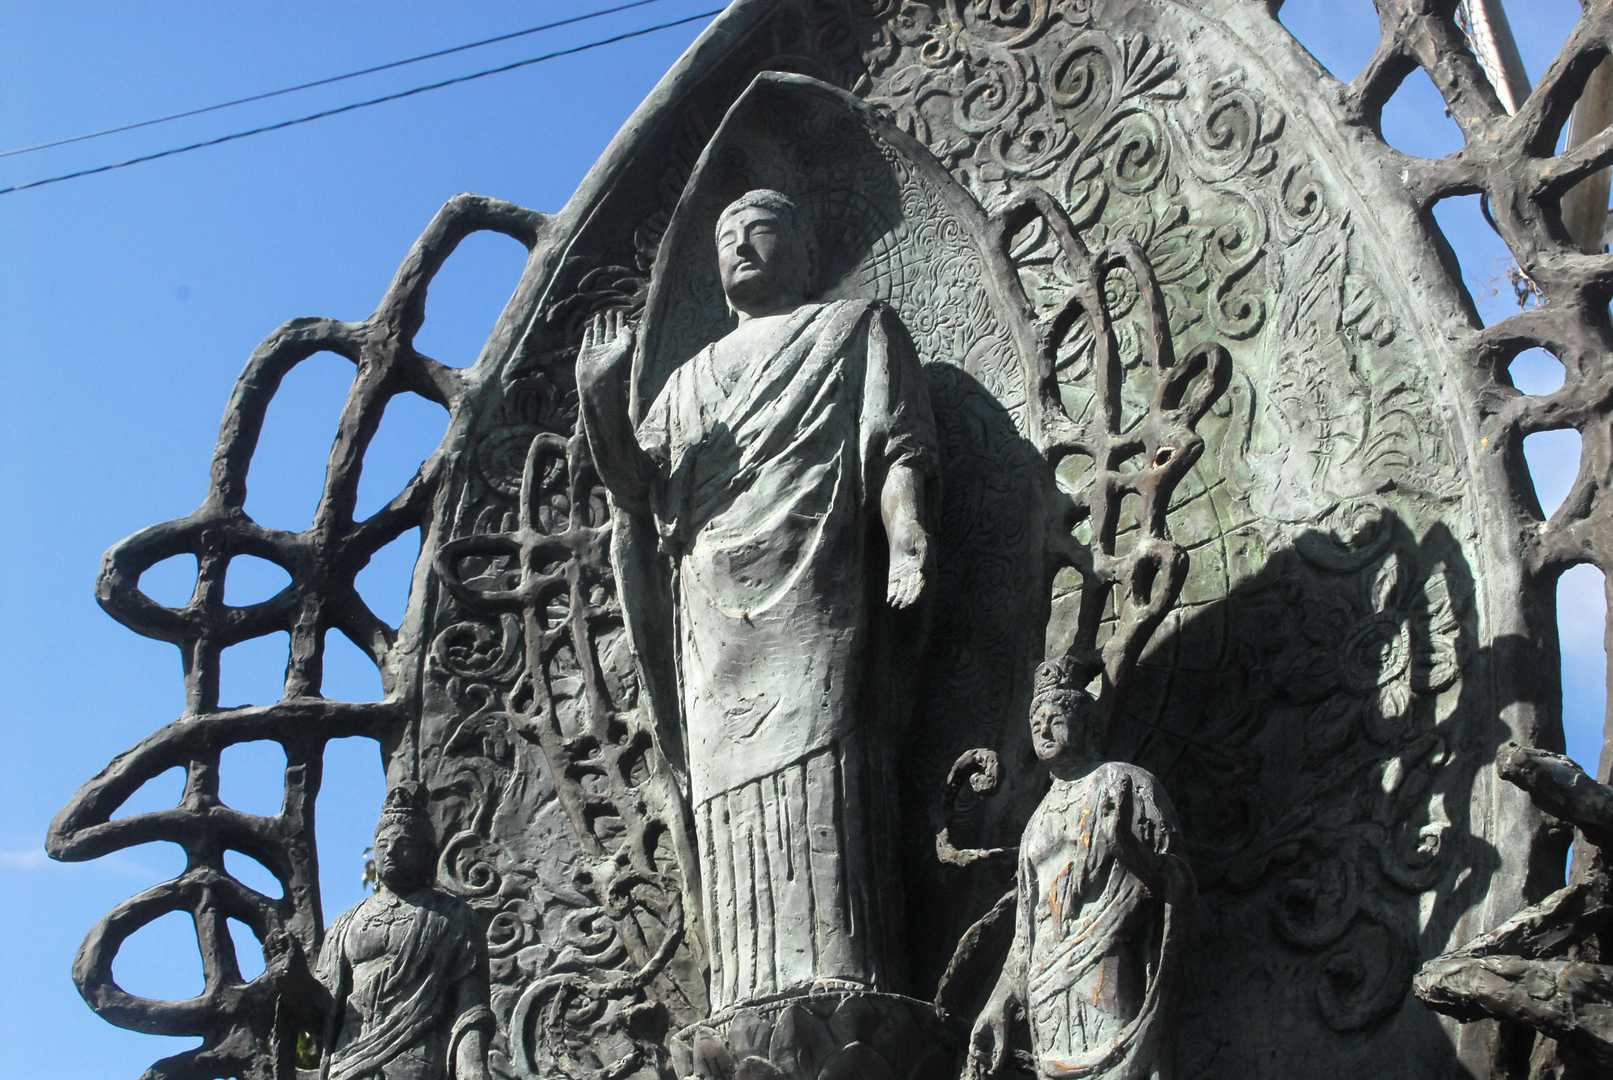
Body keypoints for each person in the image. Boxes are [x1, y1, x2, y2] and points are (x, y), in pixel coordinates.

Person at [576, 188, 939, 1011]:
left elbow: (895, 446)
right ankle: (745, 988)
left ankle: (849, 972)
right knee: (727, 787)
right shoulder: (687, 380)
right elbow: (636, 489)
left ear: (805, 250)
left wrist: (908, 537)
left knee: (825, 755)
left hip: (817, 588)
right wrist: (599, 399)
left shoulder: (851, 329)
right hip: (710, 614)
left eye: (762, 231)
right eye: (727, 238)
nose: (741, 247)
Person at [968, 658, 1194, 1080]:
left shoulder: (1124, 782)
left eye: (1056, 719)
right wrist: (999, 1002)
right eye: (1036, 723)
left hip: (1106, 955)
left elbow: (1175, 883)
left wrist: (1126, 847)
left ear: (1086, 725)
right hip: (1046, 980)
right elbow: (1025, 930)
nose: (1044, 730)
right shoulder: (1037, 820)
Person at [264, 782, 492, 1080]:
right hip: (348, 1063)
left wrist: (472, 1066)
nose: (391, 852)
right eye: (383, 845)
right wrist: (294, 979)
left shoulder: (453, 917)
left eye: (404, 844)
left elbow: (470, 1009)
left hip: (417, 1061)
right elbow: (323, 1015)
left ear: (427, 854)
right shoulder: (347, 923)